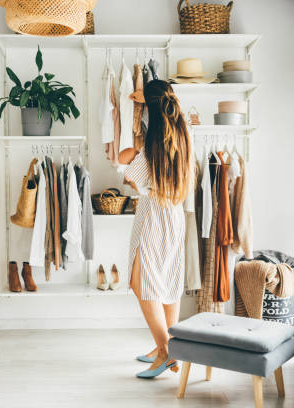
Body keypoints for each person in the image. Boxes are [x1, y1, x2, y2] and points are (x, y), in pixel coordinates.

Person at [119, 80, 193, 378]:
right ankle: (165, 344)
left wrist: (132, 153)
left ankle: (165, 351)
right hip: (175, 213)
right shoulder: (183, 133)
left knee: (141, 280)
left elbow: (131, 176)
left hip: (152, 213)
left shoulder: (150, 141)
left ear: (149, 107)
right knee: (168, 276)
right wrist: (146, 99)